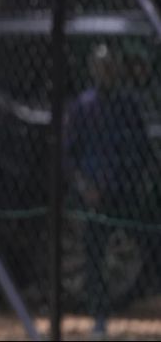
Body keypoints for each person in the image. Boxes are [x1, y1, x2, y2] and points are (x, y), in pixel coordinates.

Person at [64, 43, 151, 337]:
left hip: (125, 192)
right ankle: (99, 316)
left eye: (111, 66)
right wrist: (84, 187)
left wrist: (134, 182)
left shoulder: (128, 106)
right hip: (93, 195)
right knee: (94, 256)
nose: (106, 72)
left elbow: (142, 150)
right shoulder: (82, 107)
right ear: (93, 70)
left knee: (137, 249)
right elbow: (69, 155)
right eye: (101, 66)